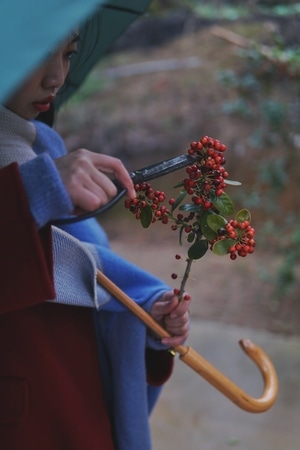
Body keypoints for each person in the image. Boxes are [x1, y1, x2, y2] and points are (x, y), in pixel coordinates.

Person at [0, 27, 191, 450]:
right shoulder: (37, 166)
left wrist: (143, 316)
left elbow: (86, 280)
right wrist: (37, 189)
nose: (56, 77)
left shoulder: (38, 148)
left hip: (75, 407)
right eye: (38, 53)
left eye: (68, 55)